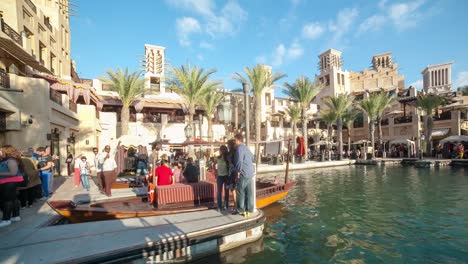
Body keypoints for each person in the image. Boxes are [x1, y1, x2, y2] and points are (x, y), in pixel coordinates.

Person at [0, 145, 25, 227]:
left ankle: (6, 219)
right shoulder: (7, 160)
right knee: (13, 199)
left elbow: (13, 173)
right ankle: (15, 216)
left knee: (7, 200)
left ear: (6, 151)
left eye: (1, 150)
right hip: (8, 182)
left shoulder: (11, 160)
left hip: (9, 183)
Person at [233, 133, 255, 217]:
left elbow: (239, 161)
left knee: (240, 191)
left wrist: (238, 171)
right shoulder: (246, 148)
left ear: (238, 140)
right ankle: (249, 209)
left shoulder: (239, 149)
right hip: (250, 173)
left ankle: (241, 210)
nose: (234, 142)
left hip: (244, 173)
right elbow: (252, 158)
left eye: (235, 140)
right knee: (249, 192)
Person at [215, 145, 230, 211]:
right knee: (219, 192)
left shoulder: (228, 158)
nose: (221, 151)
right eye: (220, 150)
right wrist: (216, 173)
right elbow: (214, 165)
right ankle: (219, 206)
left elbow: (230, 166)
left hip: (226, 176)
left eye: (222, 150)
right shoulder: (217, 158)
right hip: (220, 176)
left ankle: (226, 205)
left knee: (226, 191)